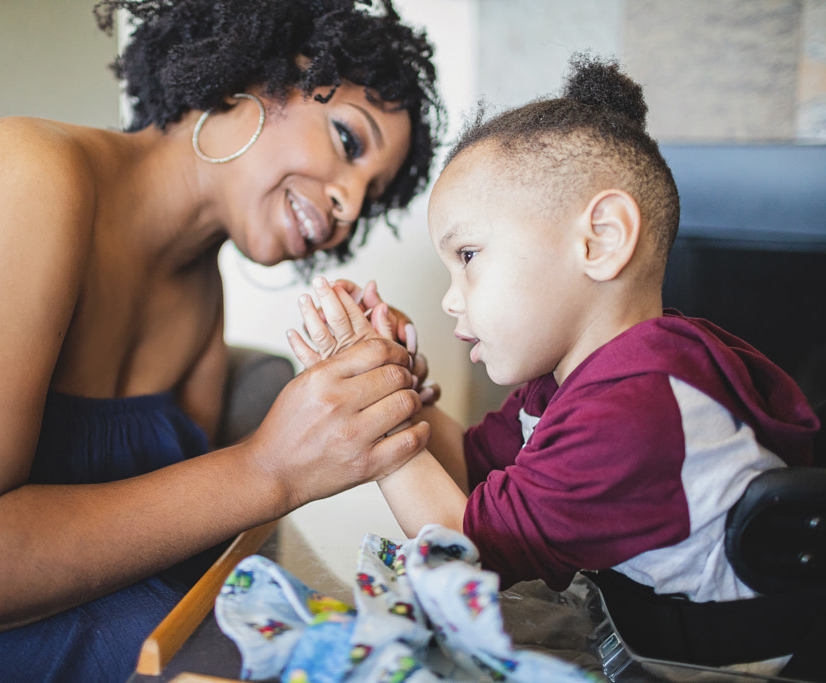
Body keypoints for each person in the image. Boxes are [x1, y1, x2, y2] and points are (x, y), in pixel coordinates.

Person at [0, 1, 444, 680]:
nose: (347, 205)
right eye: (349, 140)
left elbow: (161, 535)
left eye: (369, 196)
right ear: (257, 75)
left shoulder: (201, 299)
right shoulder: (19, 173)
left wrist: (359, 394)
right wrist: (271, 467)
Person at [288, 53, 821, 675]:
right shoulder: (579, 382)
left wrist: (376, 420)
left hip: (723, 660)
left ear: (600, 240)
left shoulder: (635, 409)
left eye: (468, 254)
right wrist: (403, 387)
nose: (449, 297)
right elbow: (474, 473)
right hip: (641, 622)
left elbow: (465, 546)